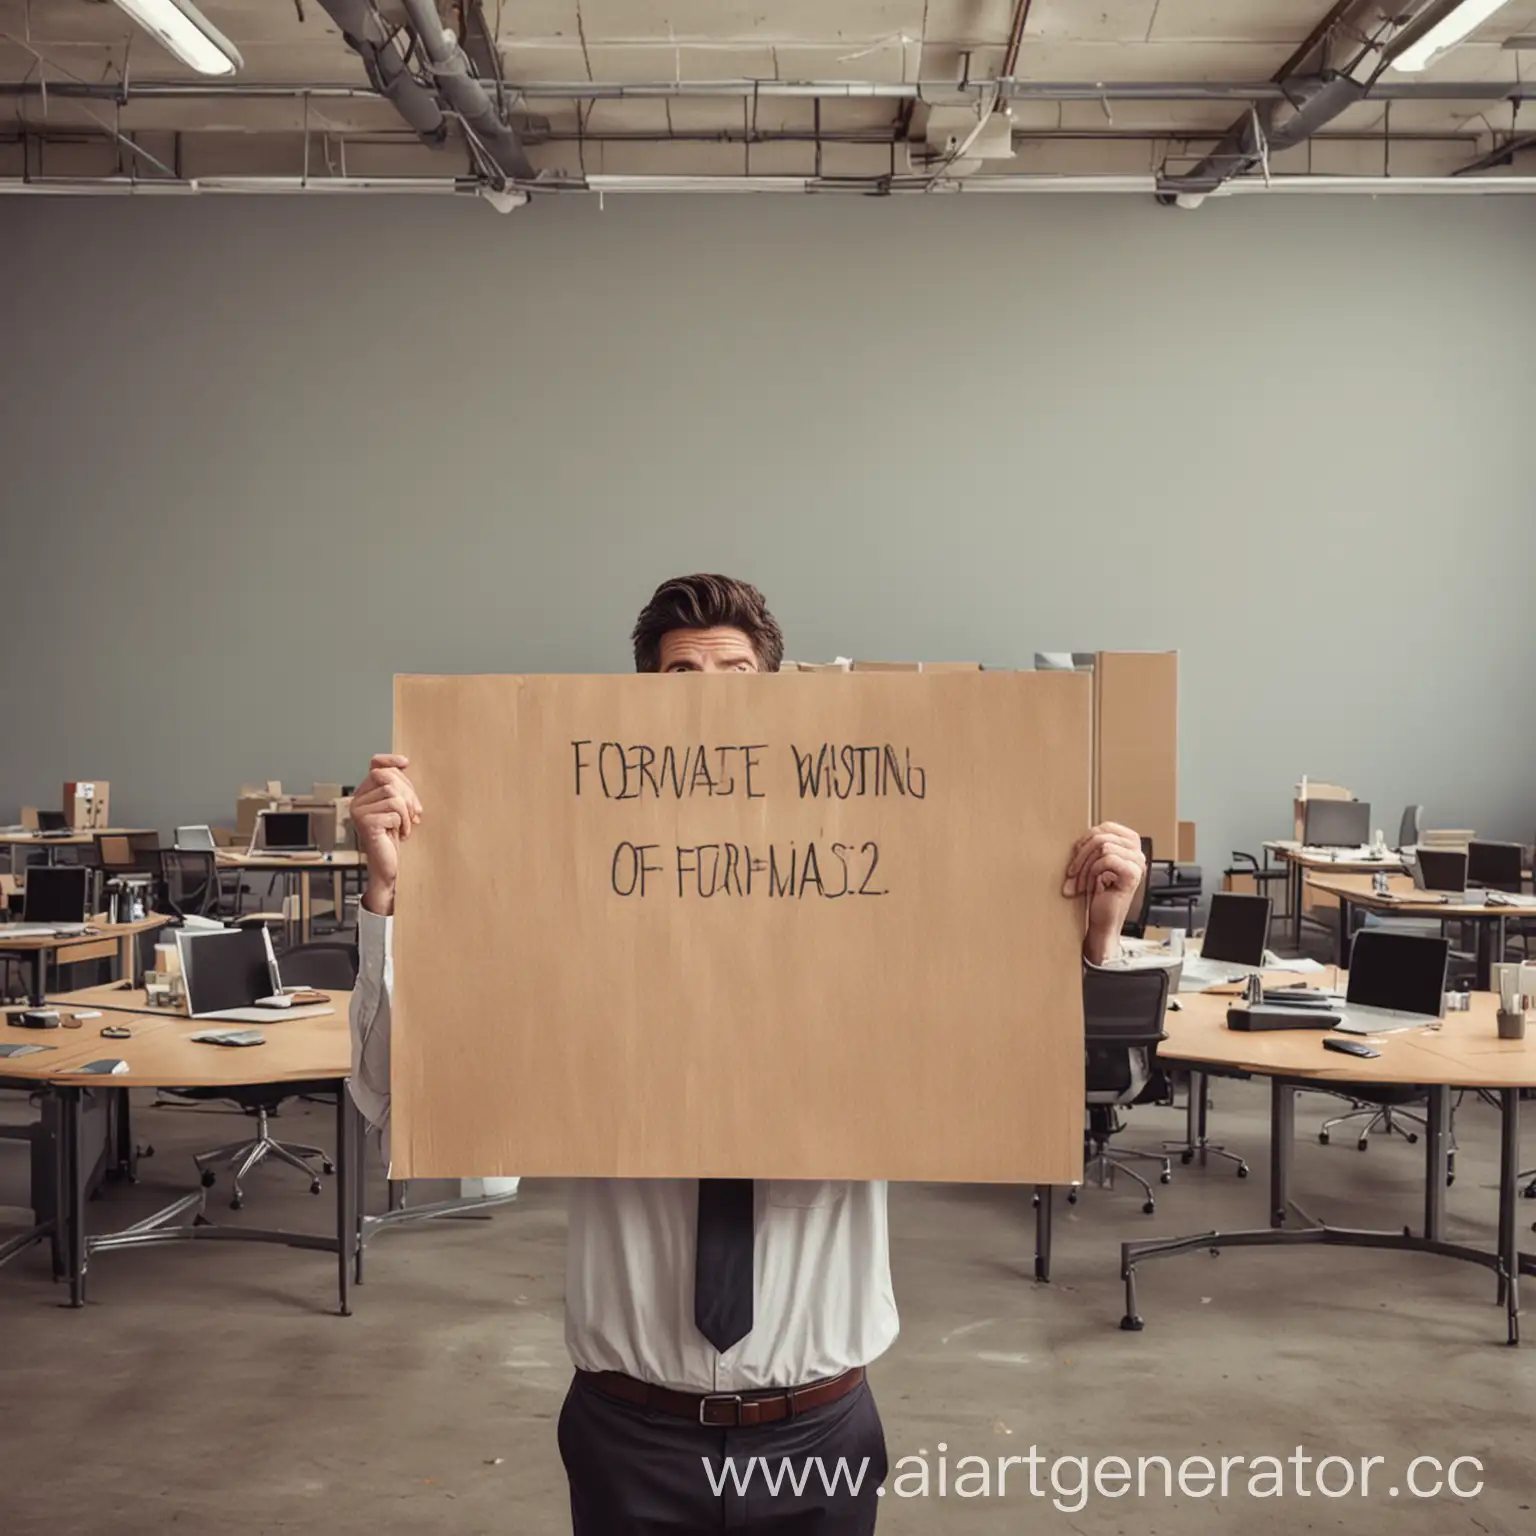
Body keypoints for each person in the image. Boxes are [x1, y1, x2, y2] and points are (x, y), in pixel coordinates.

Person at [347, 573, 1147, 1534]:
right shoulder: (570, 923)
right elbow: (399, 1099)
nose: (711, 696)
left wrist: (1089, 943)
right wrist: (389, 902)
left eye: (736, 672)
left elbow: (1024, 1083)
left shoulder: (877, 916)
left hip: (818, 1432)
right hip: (629, 1429)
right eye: (680, 675)